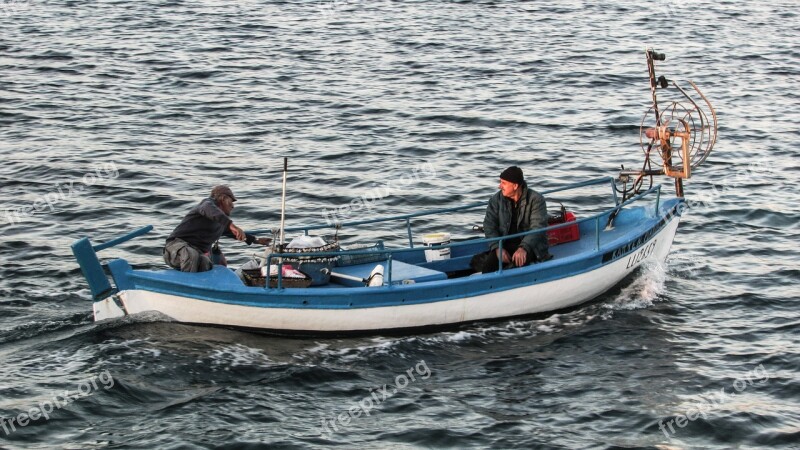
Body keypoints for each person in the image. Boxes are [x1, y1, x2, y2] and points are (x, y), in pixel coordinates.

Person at [163, 185, 270, 272]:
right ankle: (186, 288)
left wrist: (256, 240)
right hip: (175, 248)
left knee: (206, 262)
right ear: (223, 199)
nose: (233, 206)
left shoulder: (220, 223)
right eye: (231, 201)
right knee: (192, 255)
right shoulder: (207, 204)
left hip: (194, 253)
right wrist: (231, 224)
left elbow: (235, 234)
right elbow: (208, 208)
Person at [470, 166, 552, 274]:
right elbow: (489, 225)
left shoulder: (536, 200)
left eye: (503, 183)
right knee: (488, 268)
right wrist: (497, 248)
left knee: (517, 265)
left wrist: (524, 248)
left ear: (515, 186)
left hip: (530, 246)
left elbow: (537, 228)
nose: (500, 186)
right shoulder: (496, 200)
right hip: (504, 245)